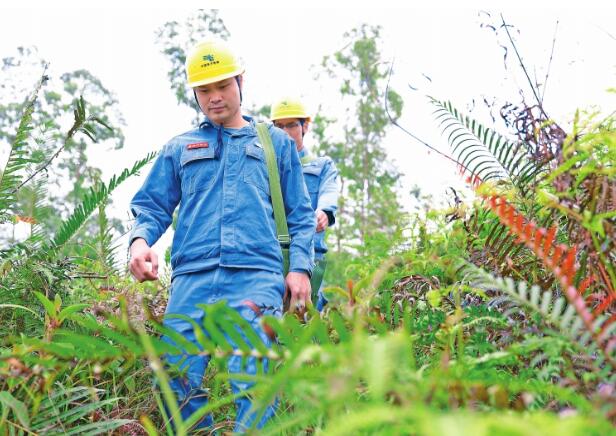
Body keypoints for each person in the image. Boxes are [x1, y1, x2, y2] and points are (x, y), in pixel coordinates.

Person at [128, 40, 315, 432]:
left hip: (256, 277)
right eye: (204, 90)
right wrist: (140, 242)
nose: (214, 98)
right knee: (173, 384)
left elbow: (300, 215)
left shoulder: (275, 144)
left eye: (222, 86)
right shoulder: (180, 148)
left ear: (240, 82)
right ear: (194, 93)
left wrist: (299, 269)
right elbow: (151, 206)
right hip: (192, 280)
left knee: (255, 386)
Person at [270, 97, 339, 311]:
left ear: (305, 126)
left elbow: (329, 192)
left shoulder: (321, 166)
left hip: (310, 255)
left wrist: (324, 212)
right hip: (271, 256)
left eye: (291, 125)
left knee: (307, 321)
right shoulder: (266, 168)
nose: (285, 132)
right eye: (279, 126)